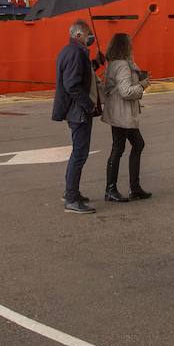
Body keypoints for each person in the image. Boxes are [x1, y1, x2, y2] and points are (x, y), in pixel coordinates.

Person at [52, 20, 97, 214]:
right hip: (78, 112)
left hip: (74, 111)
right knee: (79, 154)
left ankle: (72, 192)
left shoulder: (69, 51)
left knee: (78, 153)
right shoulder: (77, 53)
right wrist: (88, 105)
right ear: (79, 35)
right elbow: (72, 84)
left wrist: (95, 63)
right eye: (88, 34)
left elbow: (78, 75)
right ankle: (71, 198)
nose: (90, 37)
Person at [100, 33, 151, 203]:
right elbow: (126, 92)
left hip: (117, 113)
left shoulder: (113, 64)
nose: (132, 45)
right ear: (124, 46)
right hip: (123, 114)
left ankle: (124, 188)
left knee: (122, 146)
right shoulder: (122, 65)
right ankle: (116, 189)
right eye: (129, 43)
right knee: (129, 146)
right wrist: (142, 85)